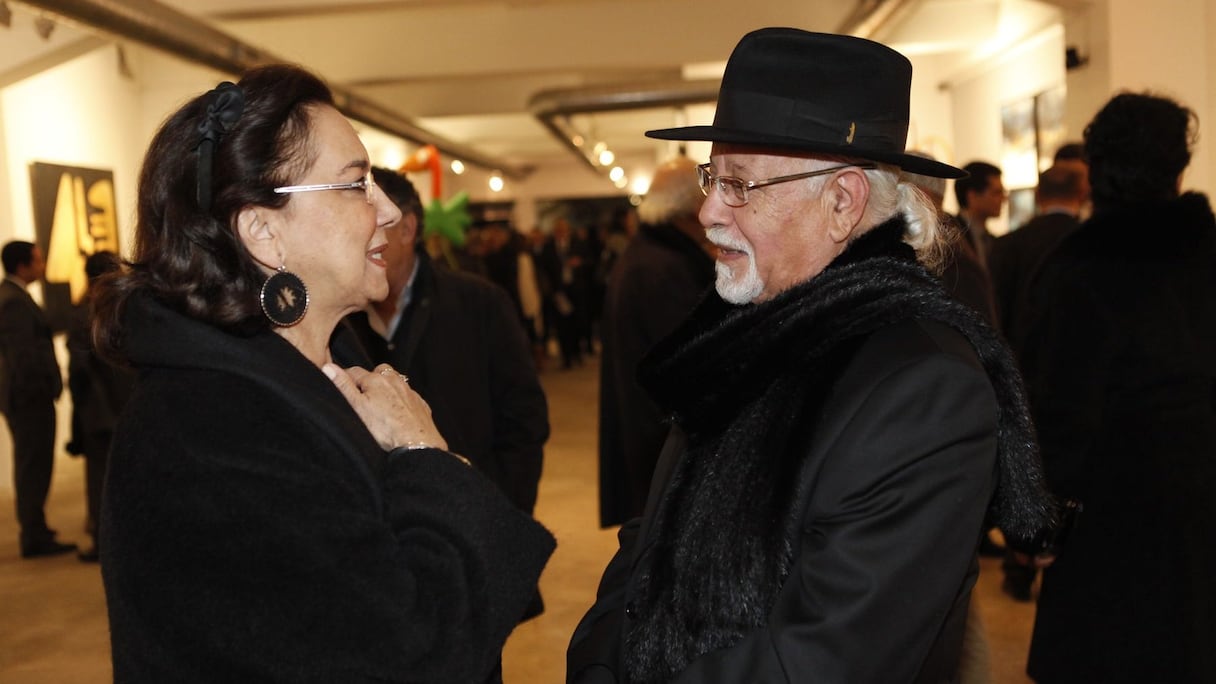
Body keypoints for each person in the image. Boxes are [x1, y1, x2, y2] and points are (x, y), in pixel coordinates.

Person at [567, 28, 1053, 683]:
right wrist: (598, 663)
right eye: (714, 177)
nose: (709, 210)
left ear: (841, 203)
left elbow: (825, 658)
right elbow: (650, 538)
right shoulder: (745, 334)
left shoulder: (923, 385)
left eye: (739, 185)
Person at [92, 65, 554, 683]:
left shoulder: (320, 366)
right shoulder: (211, 430)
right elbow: (407, 658)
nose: (389, 211)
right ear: (264, 233)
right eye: (356, 183)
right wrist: (425, 459)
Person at [1023, 92, 1216, 683]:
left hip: (1113, 530)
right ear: (1179, 168)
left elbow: (1056, 412)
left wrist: (1038, 523)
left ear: (1094, 171)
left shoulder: (1076, 270)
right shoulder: (1208, 255)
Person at [339, 167, 550, 619]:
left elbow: (525, 418)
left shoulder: (479, 303)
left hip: (469, 528)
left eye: (380, 223)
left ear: (410, 228)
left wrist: (501, 511)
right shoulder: (342, 316)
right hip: (384, 551)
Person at [597, 157, 715, 528]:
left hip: (650, 432)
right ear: (691, 208)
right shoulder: (663, 268)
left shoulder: (650, 256)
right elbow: (692, 364)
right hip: (661, 441)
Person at [0, 240, 74, 559]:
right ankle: (34, 534)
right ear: (22, 265)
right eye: (37, 260)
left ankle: (36, 529)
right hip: (29, 397)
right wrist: (42, 388)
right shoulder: (13, 302)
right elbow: (25, 355)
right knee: (33, 464)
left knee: (32, 463)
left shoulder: (13, 297)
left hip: (25, 396)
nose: (42, 265)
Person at [66, 250, 134, 563]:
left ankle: (103, 538)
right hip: (112, 409)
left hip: (103, 411)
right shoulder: (119, 310)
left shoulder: (88, 311)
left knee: (102, 478)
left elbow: (79, 371)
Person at [953, 160, 1006, 264]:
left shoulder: (992, 241)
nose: (1004, 198)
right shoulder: (950, 237)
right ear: (972, 196)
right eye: (996, 193)